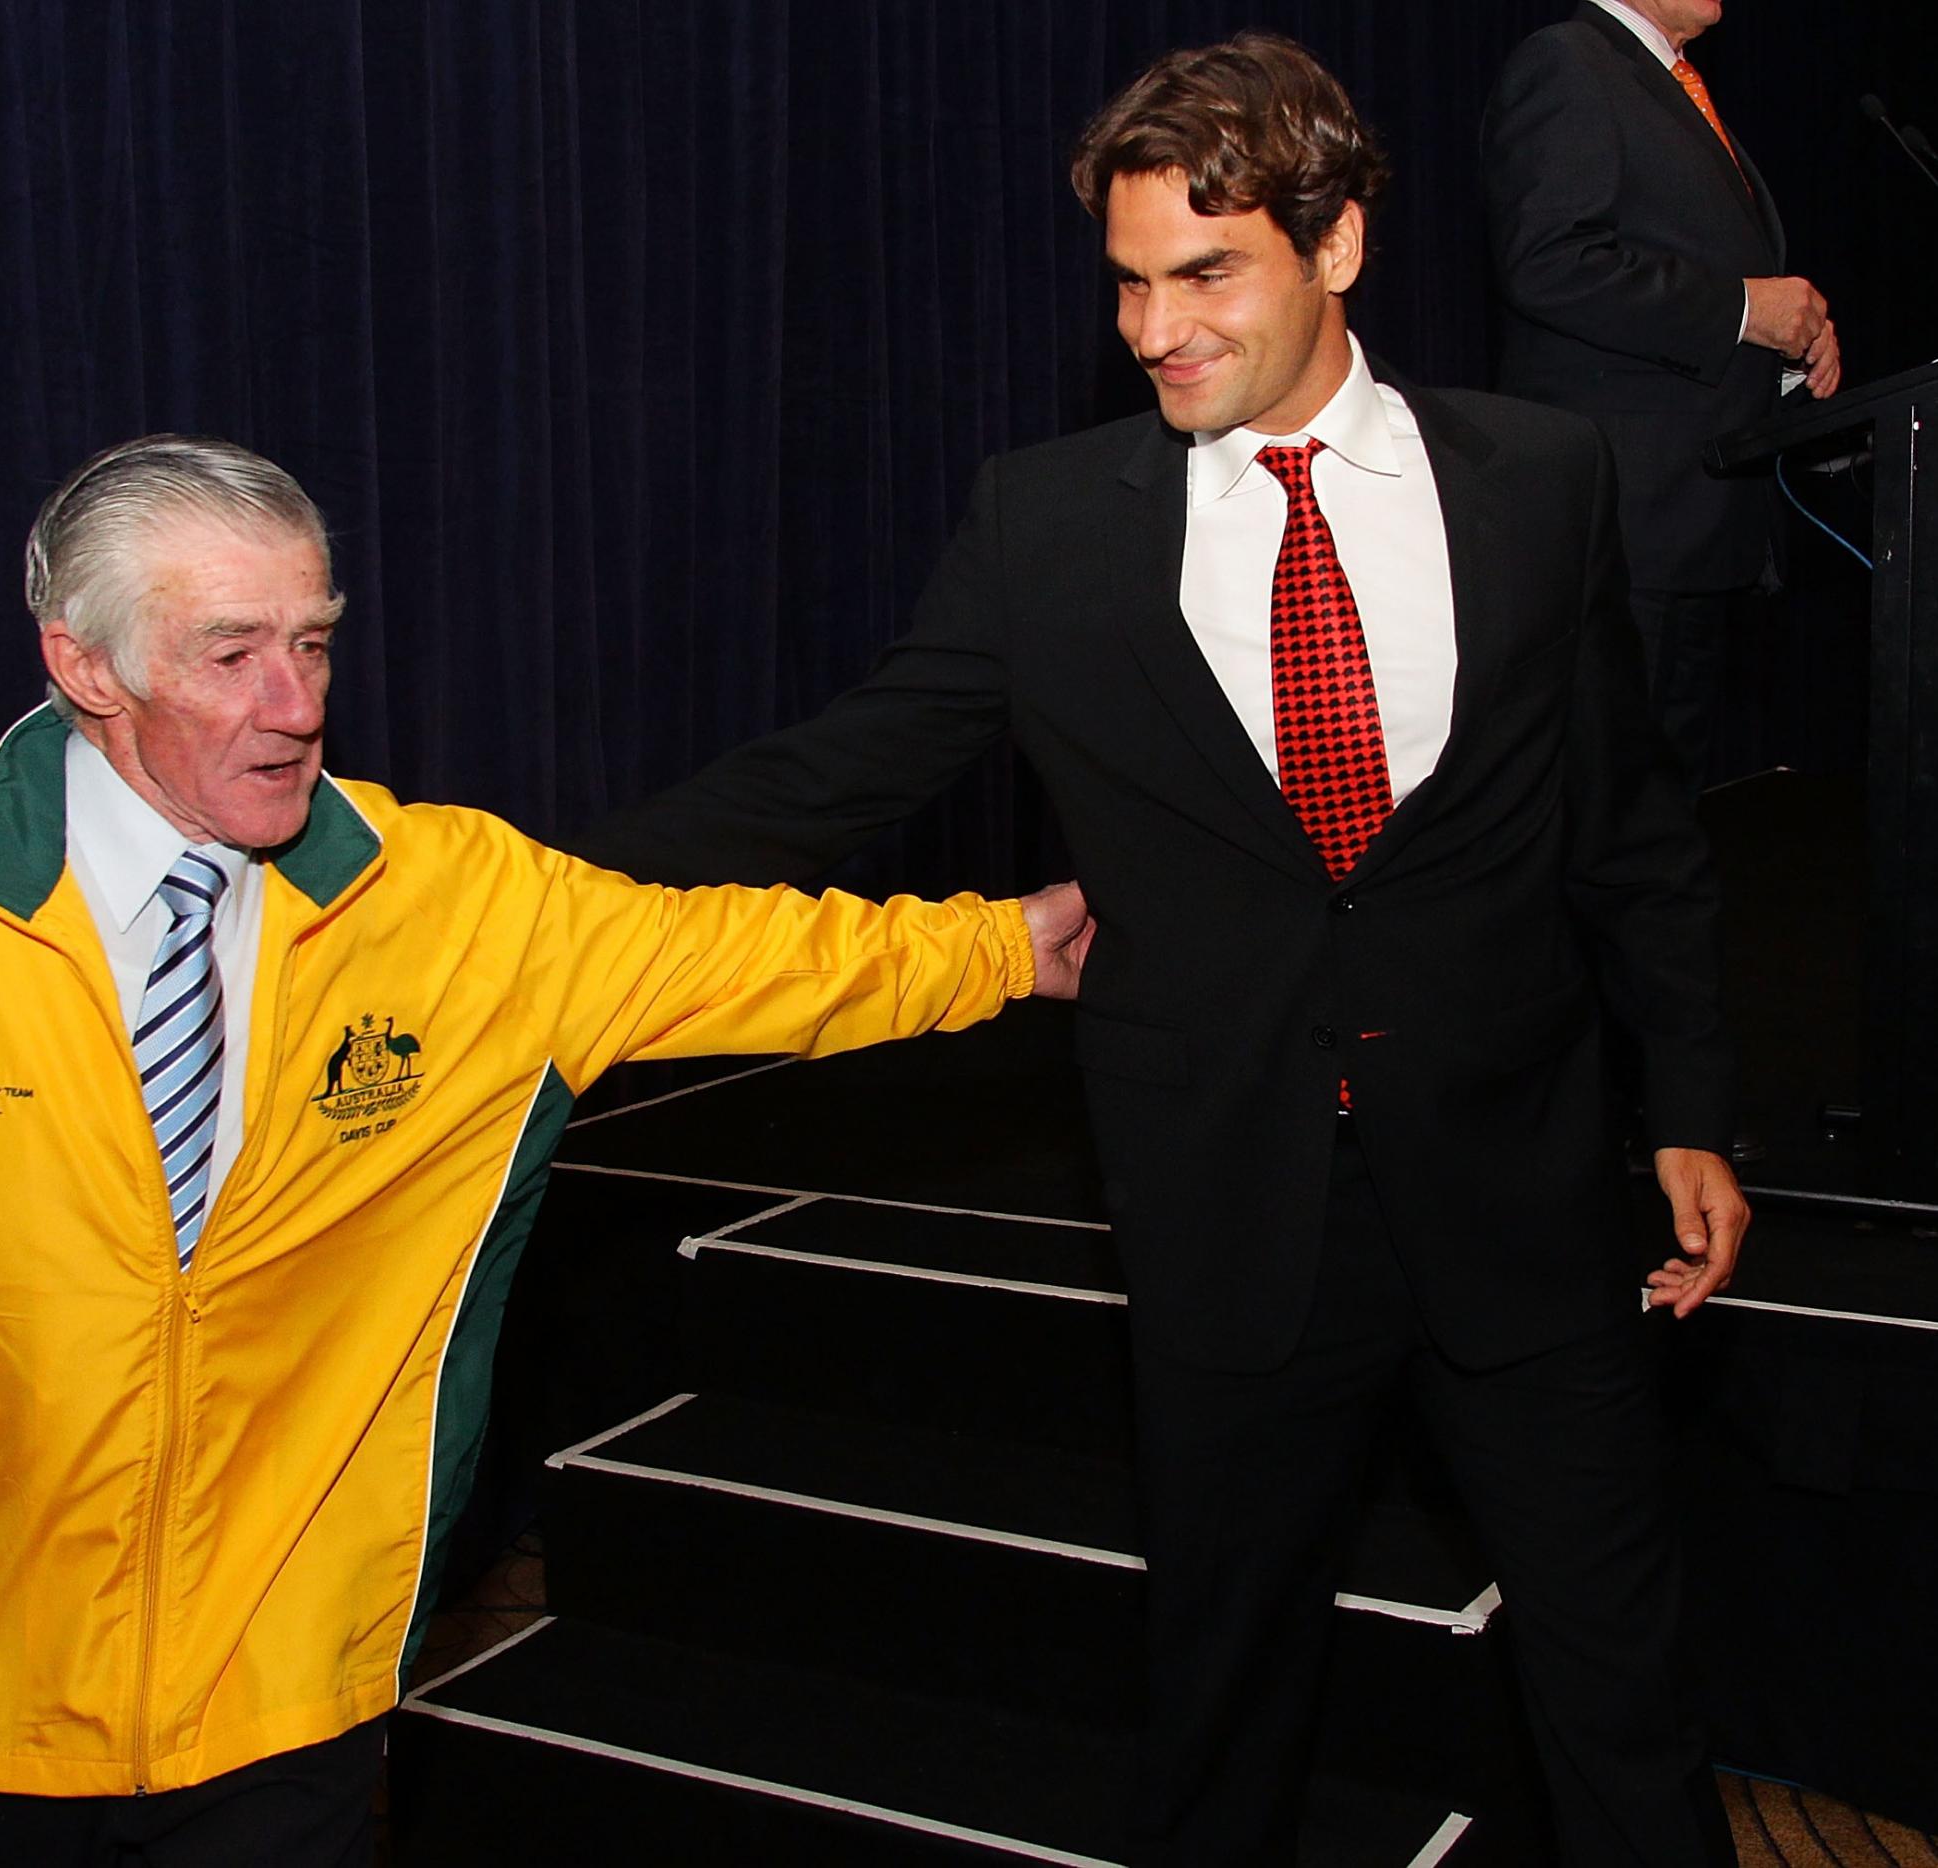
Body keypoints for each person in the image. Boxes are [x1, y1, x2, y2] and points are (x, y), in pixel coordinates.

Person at [0, 434, 1093, 1867]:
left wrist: (1010, 944)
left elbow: (747, 955)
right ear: (83, 662)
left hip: (288, 1678)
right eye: (233, 653)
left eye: (314, 641)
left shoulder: (451, 899)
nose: (296, 704)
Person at [568, 34, 1748, 1867]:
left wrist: (1691, 1101)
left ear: (1337, 244)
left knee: (1620, 1689)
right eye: (1129, 281)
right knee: (1223, 1697)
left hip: (1521, 1197)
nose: (1152, 327)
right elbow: (837, 774)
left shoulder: (1542, 477)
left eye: (1205, 275)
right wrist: (484, 879)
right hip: (1228, 1211)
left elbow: (1632, 829)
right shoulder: (1052, 530)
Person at [1483, 0, 1840, 792]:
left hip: (1697, 521)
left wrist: (1791, 342)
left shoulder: (1671, 82)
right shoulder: (1569, 61)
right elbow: (1549, 261)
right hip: (1625, 524)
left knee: (1663, 817)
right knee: (1615, 820)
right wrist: (1747, 310)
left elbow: (1697, 264)